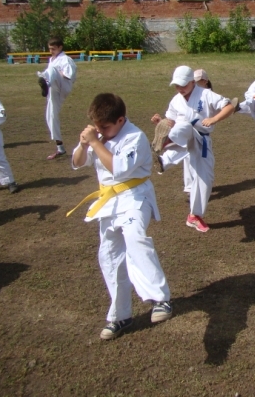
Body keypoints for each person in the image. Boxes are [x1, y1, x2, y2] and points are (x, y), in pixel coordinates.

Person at [70, 93, 172, 340]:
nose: (100, 131)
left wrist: (95, 143)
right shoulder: (99, 136)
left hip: (135, 196)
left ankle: (160, 298)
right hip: (109, 203)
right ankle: (120, 315)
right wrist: (84, 145)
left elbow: (118, 168)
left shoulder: (135, 137)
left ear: (120, 120)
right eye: (96, 126)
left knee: (135, 237)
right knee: (110, 257)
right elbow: (77, 162)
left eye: (104, 127)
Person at [150, 66, 235, 232]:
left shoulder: (206, 94)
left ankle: (194, 216)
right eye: (177, 85)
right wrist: (161, 123)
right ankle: (163, 153)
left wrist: (214, 119)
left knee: (206, 179)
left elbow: (229, 106)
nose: (180, 88)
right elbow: (170, 122)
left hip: (202, 140)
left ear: (192, 82)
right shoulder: (176, 101)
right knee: (186, 127)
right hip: (183, 135)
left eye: (183, 85)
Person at [37, 37, 77, 160]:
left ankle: (46, 82)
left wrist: (54, 74)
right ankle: (60, 147)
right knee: (51, 115)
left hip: (63, 85)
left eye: (53, 49)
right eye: (50, 49)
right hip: (53, 89)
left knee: (52, 70)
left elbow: (68, 75)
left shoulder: (66, 59)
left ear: (60, 47)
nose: (51, 51)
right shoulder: (52, 59)